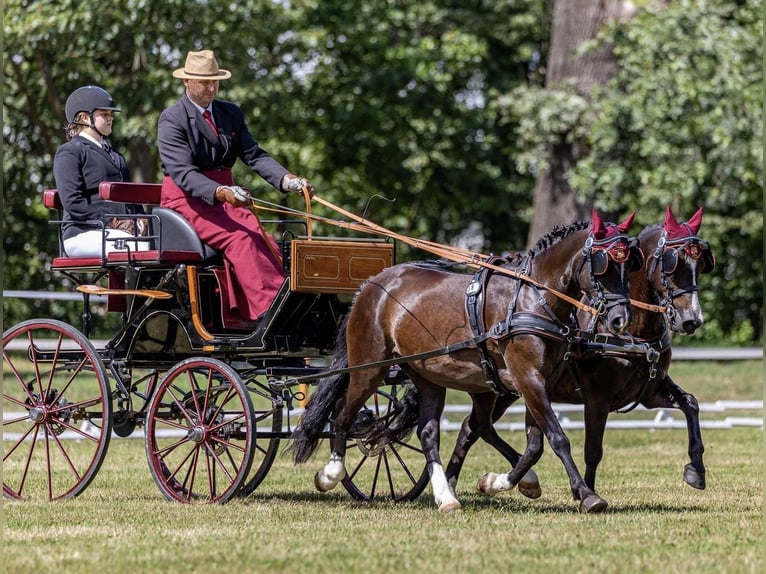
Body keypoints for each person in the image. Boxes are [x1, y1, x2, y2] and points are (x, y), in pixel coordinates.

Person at [157, 49, 315, 322]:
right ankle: (269, 313)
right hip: (187, 200)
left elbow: (254, 154)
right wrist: (222, 192)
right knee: (241, 238)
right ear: (187, 82)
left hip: (226, 199)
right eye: (204, 81)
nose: (211, 87)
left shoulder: (230, 113)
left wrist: (287, 180)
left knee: (263, 237)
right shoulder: (172, 119)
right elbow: (183, 173)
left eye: (215, 81)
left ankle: (288, 304)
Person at [53, 85, 148, 257]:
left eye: (110, 114)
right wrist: (112, 221)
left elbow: (130, 196)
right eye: (104, 114)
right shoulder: (70, 151)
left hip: (116, 233)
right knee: (141, 250)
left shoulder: (116, 156)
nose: (110, 118)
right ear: (84, 117)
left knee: (160, 241)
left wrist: (141, 218)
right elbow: (73, 201)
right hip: (82, 232)